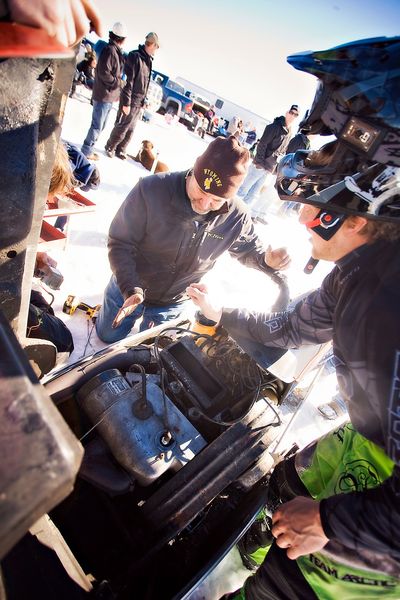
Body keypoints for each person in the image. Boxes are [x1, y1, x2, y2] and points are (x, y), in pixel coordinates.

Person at [187, 36, 400, 599]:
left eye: (319, 201)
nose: (304, 213)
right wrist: (222, 311)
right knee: (279, 486)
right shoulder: (360, 273)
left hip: (386, 533)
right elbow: (288, 329)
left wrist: (328, 525)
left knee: (282, 588)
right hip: (367, 444)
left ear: (368, 208)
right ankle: (246, 548)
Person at [95, 135, 290, 344]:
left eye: (216, 200)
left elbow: (249, 249)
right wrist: (129, 286)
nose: (205, 204)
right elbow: (120, 242)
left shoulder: (237, 216)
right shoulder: (151, 190)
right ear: (193, 173)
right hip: (129, 285)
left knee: (151, 347)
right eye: (201, 190)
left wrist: (266, 261)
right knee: (107, 336)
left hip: (173, 299)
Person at [104, 32, 160, 160]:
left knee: (131, 129)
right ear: (152, 44)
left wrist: (144, 99)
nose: (156, 50)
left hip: (139, 100)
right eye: (156, 46)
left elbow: (145, 82)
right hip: (131, 98)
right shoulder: (135, 56)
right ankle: (110, 146)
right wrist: (126, 103)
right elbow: (128, 81)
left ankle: (121, 149)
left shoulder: (148, 60)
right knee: (123, 125)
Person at [237, 105, 299, 214]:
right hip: (260, 165)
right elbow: (262, 145)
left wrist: (274, 168)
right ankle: (228, 210)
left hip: (269, 168)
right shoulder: (274, 127)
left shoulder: (289, 133)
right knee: (243, 190)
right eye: (291, 112)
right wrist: (259, 163)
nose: (292, 116)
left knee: (253, 194)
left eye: (296, 114)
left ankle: (239, 214)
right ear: (286, 112)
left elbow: (282, 151)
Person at [81, 22, 126, 160]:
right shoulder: (110, 51)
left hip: (108, 96)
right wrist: (118, 83)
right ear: (122, 38)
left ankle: (88, 149)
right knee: (97, 126)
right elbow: (103, 72)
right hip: (103, 95)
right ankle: (86, 151)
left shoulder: (114, 51)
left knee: (101, 126)